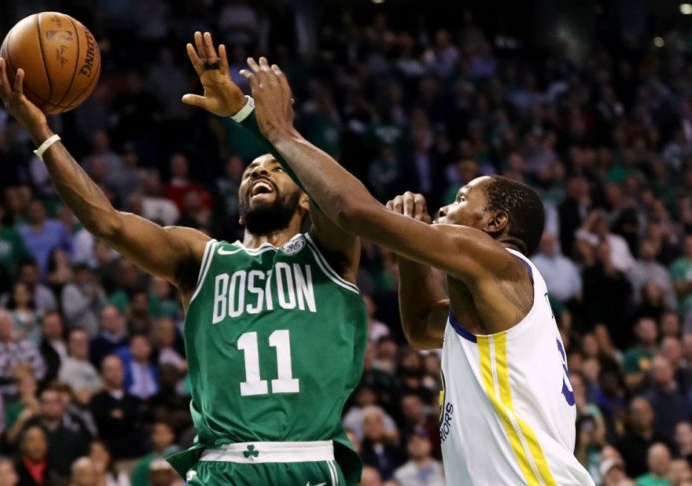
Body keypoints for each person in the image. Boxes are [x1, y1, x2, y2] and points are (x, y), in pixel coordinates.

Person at [0, 28, 367, 486]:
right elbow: (107, 223)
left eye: (276, 167)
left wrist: (246, 114)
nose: (260, 171)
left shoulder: (329, 252)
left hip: (308, 461)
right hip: (222, 467)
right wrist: (42, 133)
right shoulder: (202, 258)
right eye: (251, 169)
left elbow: (342, 197)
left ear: (307, 197)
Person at [238, 54, 594, 484]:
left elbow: (353, 212)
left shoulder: (497, 260)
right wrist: (408, 250)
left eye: (461, 200)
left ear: (495, 223)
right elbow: (423, 328)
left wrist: (281, 133)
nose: (444, 208)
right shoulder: (495, 303)